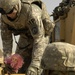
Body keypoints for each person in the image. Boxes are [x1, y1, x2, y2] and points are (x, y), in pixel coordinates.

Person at [0, 0, 55, 74]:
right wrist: (8, 60)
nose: (8, 15)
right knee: (16, 65)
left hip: (42, 34)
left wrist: (35, 65)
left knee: (36, 69)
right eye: (4, 12)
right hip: (26, 35)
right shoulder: (4, 18)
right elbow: (6, 40)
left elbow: (39, 39)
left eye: (10, 11)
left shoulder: (31, 12)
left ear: (16, 6)